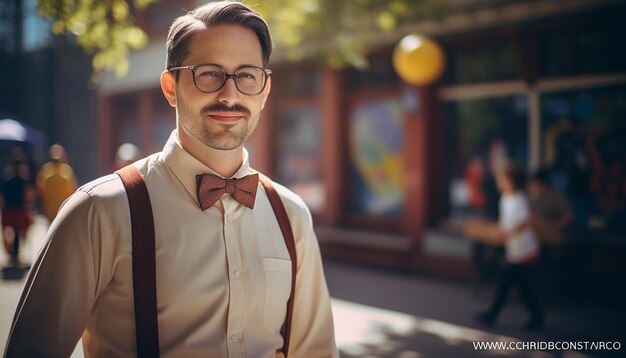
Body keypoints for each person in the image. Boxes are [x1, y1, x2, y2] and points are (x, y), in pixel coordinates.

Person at [6, 2, 338, 357]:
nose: (230, 94)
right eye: (209, 74)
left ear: (265, 90)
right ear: (169, 86)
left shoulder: (291, 215)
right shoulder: (98, 212)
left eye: (247, 75)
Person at [477, 162, 545, 330]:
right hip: (514, 251)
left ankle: (491, 315)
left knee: (508, 284)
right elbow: (506, 223)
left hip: (525, 251)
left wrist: (506, 234)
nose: (498, 181)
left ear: (511, 180)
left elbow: (523, 223)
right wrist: (497, 231)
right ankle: (537, 316)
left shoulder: (520, 199)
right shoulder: (505, 199)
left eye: (501, 178)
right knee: (523, 288)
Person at [1, 148, 33, 267]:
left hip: (12, 209)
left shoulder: (9, 179)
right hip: (16, 209)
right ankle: (14, 254)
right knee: (17, 232)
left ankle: (14, 254)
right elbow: (27, 195)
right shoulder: (21, 179)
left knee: (15, 232)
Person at [36, 144, 78, 223]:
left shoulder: (66, 170)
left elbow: (72, 189)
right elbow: (41, 188)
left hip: (62, 208)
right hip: (50, 208)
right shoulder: (47, 169)